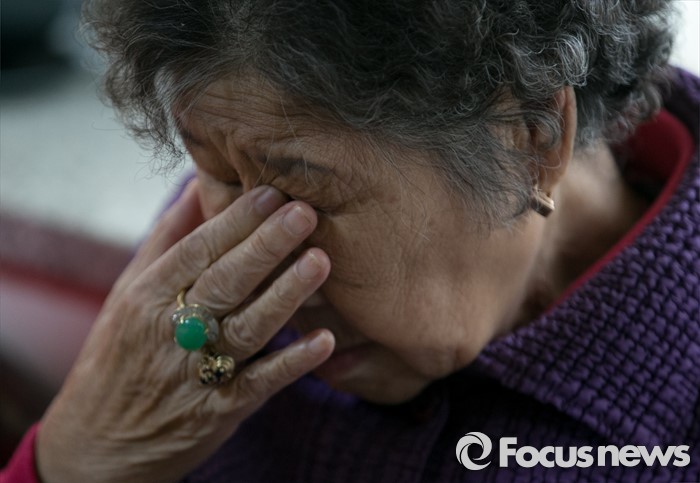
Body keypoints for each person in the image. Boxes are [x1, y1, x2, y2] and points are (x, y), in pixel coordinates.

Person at [2, 0, 698, 481]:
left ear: (531, 138)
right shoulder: (203, 276)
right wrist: (68, 464)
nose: (257, 267)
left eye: (308, 197)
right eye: (216, 172)